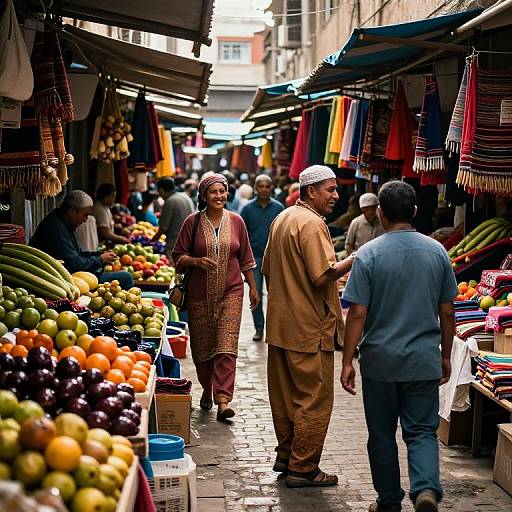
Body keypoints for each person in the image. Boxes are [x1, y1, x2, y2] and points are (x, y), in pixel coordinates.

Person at [341, 181, 457, 512]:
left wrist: (348, 361)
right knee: (421, 431)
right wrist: (445, 355)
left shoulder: (367, 254)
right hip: (422, 360)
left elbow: (357, 314)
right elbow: (447, 310)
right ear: (416, 212)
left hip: (379, 363)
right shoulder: (437, 251)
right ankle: (424, 490)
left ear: (380, 213)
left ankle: (389, 501)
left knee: (381, 436)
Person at [262, 165, 355, 488]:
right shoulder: (313, 224)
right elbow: (323, 274)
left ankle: (287, 456)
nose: (336, 195)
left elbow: (267, 269)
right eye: (330, 189)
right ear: (311, 191)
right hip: (308, 328)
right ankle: (303, 467)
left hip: (281, 325)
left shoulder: (283, 218)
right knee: (313, 399)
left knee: (286, 397)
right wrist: (353, 259)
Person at [172, 174, 259, 421]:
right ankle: (207, 389)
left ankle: (223, 401)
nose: (219, 196)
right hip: (199, 295)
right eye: (214, 192)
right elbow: (177, 258)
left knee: (226, 348)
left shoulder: (237, 221)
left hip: (232, 291)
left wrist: (252, 287)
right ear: (204, 196)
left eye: (222, 191)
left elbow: (245, 258)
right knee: (202, 351)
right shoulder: (193, 222)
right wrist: (196, 261)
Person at [30, 191, 134, 289]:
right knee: (126, 277)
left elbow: (78, 254)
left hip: (70, 274)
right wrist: (100, 260)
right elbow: (75, 264)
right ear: (72, 211)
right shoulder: (56, 227)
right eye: (85, 215)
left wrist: (99, 255)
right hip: (58, 279)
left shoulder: (67, 223)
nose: (86, 220)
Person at [240, 175, 284, 341]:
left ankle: (274, 330)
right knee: (255, 294)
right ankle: (259, 328)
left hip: (275, 258)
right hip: (255, 258)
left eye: (267, 186)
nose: (264, 189)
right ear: (255, 188)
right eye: (261, 186)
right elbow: (242, 236)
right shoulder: (248, 209)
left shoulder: (279, 208)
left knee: (276, 296)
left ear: (271, 188)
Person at [152, 178, 195, 260]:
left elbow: (163, 228)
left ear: (161, 190)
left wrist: (152, 241)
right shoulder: (186, 197)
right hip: (189, 242)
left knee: (174, 269)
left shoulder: (170, 201)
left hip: (174, 244)